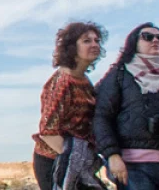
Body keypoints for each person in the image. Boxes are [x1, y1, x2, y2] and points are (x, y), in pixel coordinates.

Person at [94, 23, 159, 190]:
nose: (155, 40)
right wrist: (112, 155)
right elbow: (102, 116)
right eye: (148, 37)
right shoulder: (120, 74)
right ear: (134, 43)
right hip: (134, 166)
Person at [35, 22, 105, 190]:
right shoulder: (61, 82)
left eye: (96, 40)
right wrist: (74, 163)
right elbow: (48, 132)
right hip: (54, 161)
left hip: (76, 161)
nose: (94, 44)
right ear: (72, 47)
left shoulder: (84, 81)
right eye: (87, 41)